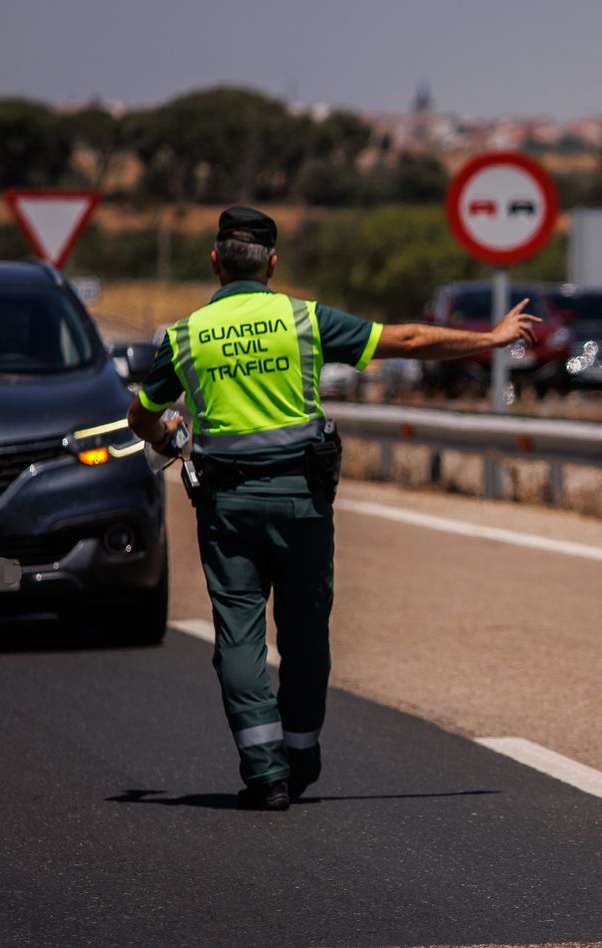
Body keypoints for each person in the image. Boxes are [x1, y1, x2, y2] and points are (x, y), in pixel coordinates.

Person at [127, 206, 539, 811]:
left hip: (227, 507)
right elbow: (411, 339)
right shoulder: (303, 320)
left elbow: (142, 416)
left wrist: (168, 436)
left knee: (238, 637)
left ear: (214, 261)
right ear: (273, 263)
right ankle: (300, 752)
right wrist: (492, 338)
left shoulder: (184, 336)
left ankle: (265, 771)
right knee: (304, 632)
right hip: (302, 503)